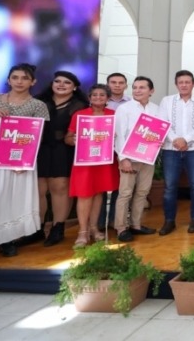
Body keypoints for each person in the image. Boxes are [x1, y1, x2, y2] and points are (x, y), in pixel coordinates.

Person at [0, 64, 51, 257]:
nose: (19, 81)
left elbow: (38, 137)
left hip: (20, 161)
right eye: (15, 77)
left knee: (14, 199)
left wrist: (25, 160)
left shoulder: (38, 105)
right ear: (8, 80)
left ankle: (6, 239)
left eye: (24, 78)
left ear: (33, 81)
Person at [35, 71, 89, 247]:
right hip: (38, 150)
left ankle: (58, 228)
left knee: (60, 187)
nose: (61, 84)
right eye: (57, 81)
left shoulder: (80, 105)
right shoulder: (39, 102)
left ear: (74, 87)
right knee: (38, 189)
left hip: (63, 150)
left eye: (67, 82)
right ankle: (37, 229)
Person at [65, 84, 120, 247]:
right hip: (85, 161)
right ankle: (82, 231)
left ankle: (94, 228)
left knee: (98, 194)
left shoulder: (114, 115)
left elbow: (121, 136)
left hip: (104, 161)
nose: (98, 98)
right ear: (89, 98)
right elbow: (68, 137)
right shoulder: (79, 115)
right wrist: (73, 140)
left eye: (102, 95)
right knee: (84, 194)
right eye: (94, 95)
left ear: (108, 99)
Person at [158, 71, 194, 236]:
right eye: (181, 82)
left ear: (193, 84)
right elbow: (162, 123)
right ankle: (169, 221)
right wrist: (176, 141)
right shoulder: (166, 101)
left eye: (188, 82)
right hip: (170, 150)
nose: (184, 85)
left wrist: (185, 140)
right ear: (176, 84)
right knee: (170, 187)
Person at [113, 77, 160, 243]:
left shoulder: (156, 109)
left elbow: (158, 132)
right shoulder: (124, 109)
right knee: (125, 193)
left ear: (151, 91)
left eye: (142, 87)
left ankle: (136, 225)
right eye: (135, 87)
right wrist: (123, 158)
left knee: (142, 192)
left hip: (148, 158)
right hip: (129, 159)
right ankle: (120, 228)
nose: (137, 90)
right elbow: (119, 135)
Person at [98, 72, 131, 233]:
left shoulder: (132, 103)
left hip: (124, 150)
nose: (117, 85)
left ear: (126, 85)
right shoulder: (100, 101)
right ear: (108, 84)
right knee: (101, 184)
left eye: (121, 82)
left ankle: (114, 220)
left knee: (120, 185)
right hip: (100, 149)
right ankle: (99, 220)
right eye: (113, 82)